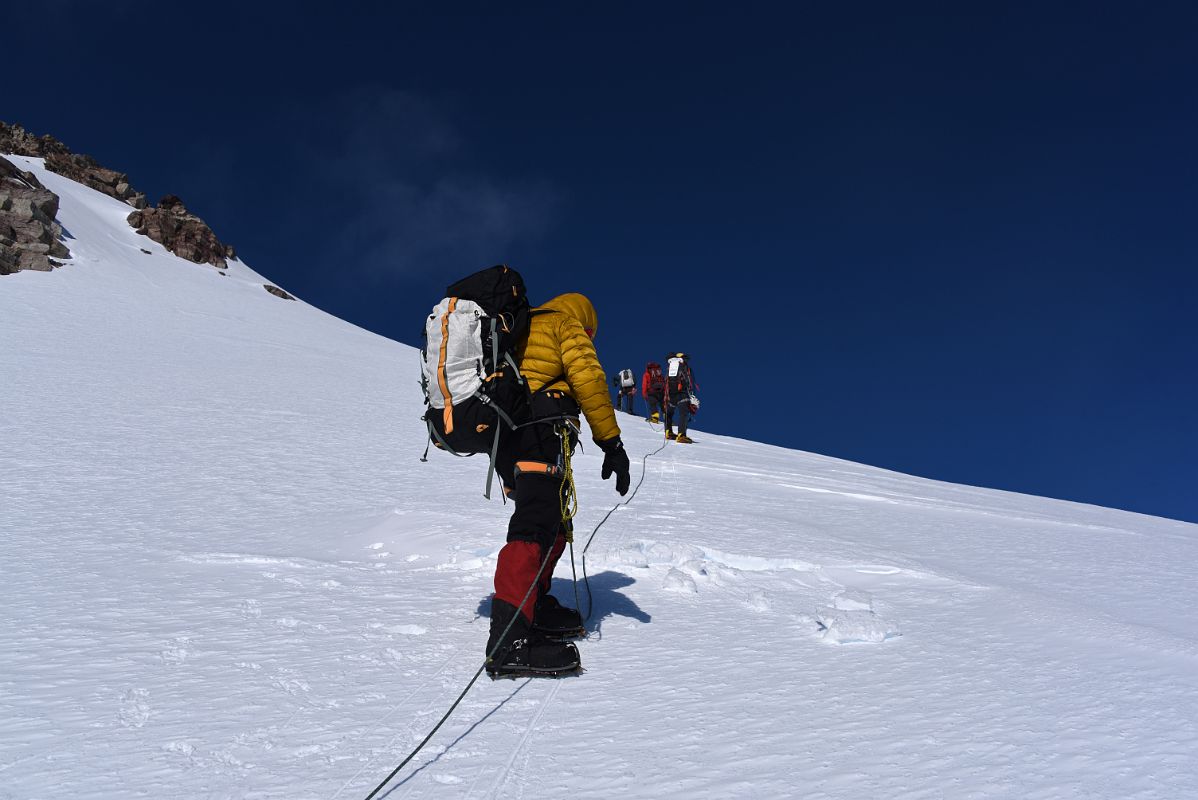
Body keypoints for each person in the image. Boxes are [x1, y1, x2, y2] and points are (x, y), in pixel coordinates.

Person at [487, 293, 631, 677]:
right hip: (541, 429)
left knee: (551, 522)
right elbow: (587, 378)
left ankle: (534, 605)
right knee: (535, 526)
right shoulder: (562, 324)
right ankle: (509, 642)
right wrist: (612, 444)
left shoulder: (521, 329)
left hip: (512, 439)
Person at [663, 352, 698, 444]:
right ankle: (681, 435)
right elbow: (689, 382)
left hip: (670, 395)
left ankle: (668, 432)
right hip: (682, 394)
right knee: (683, 414)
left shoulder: (670, 367)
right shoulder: (684, 367)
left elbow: (666, 382)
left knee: (669, 413)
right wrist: (691, 396)